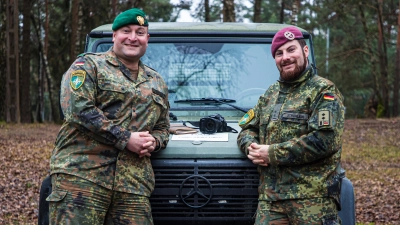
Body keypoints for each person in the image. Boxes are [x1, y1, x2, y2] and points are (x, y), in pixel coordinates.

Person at [46, 8, 170, 224]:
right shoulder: (89, 66)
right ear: (114, 36)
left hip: (133, 185)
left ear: (147, 39)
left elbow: (163, 126)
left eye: (140, 32)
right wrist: (126, 139)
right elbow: (77, 109)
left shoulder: (156, 81)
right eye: (126, 31)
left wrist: (154, 141)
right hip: (82, 177)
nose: (133, 37)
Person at [237, 26, 345, 225]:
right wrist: (251, 147)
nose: (285, 57)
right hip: (270, 201)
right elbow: (247, 128)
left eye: (291, 49)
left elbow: (325, 140)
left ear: (305, 51)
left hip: (312, 200)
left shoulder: (323, 91)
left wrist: (271, 153)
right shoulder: (270, 94)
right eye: (279, 53)